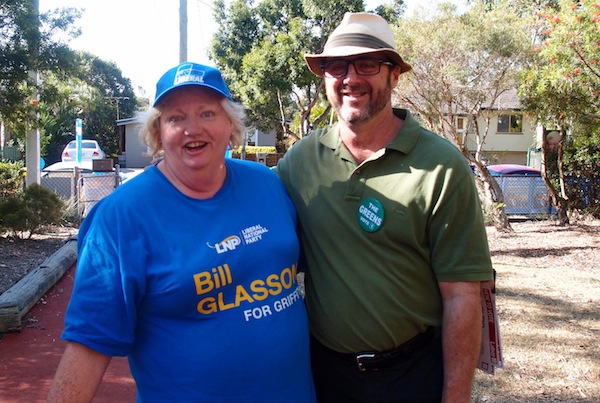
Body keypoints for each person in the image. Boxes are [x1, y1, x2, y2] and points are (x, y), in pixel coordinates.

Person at [47, 62, 316, 403]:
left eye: (207, 113)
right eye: (176, 118)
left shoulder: (268, 184)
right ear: (158, 132)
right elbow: (89, 342)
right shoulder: (120, 218)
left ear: (230, 124)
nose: (193, 129)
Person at [275, 12, 494, 403]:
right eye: (336, 66)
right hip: (322, 375)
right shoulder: (300, 162)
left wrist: (456, 396)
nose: (350, 77)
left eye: (367, 64)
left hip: (411, 375)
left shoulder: (441, 166)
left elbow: (462, 295)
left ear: (394, 75)